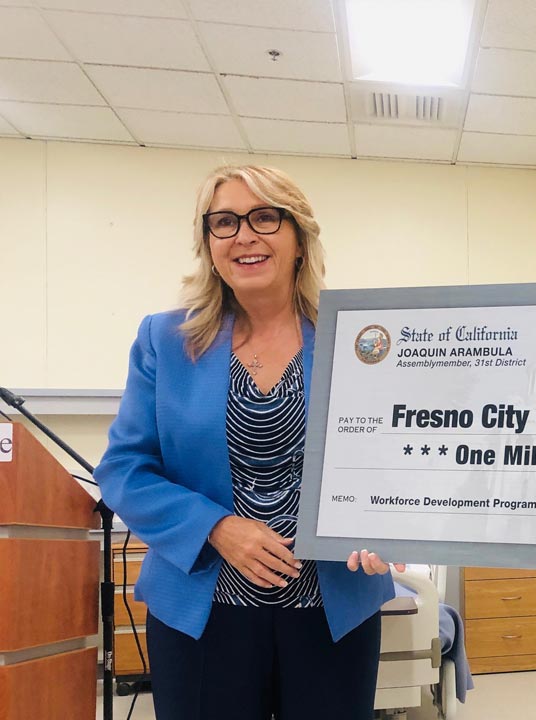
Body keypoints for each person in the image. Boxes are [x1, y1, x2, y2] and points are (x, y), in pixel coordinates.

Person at [96, 165, 403, 719]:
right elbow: (124, 469)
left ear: (299, 240)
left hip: (332, 606)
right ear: (208, 243)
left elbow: (393, 457)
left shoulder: (360, 339)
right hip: (202, 607)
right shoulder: (165, 339)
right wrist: (216, 527)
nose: (243, 235)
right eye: (225, 222)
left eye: (264, 217)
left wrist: (387, 522)